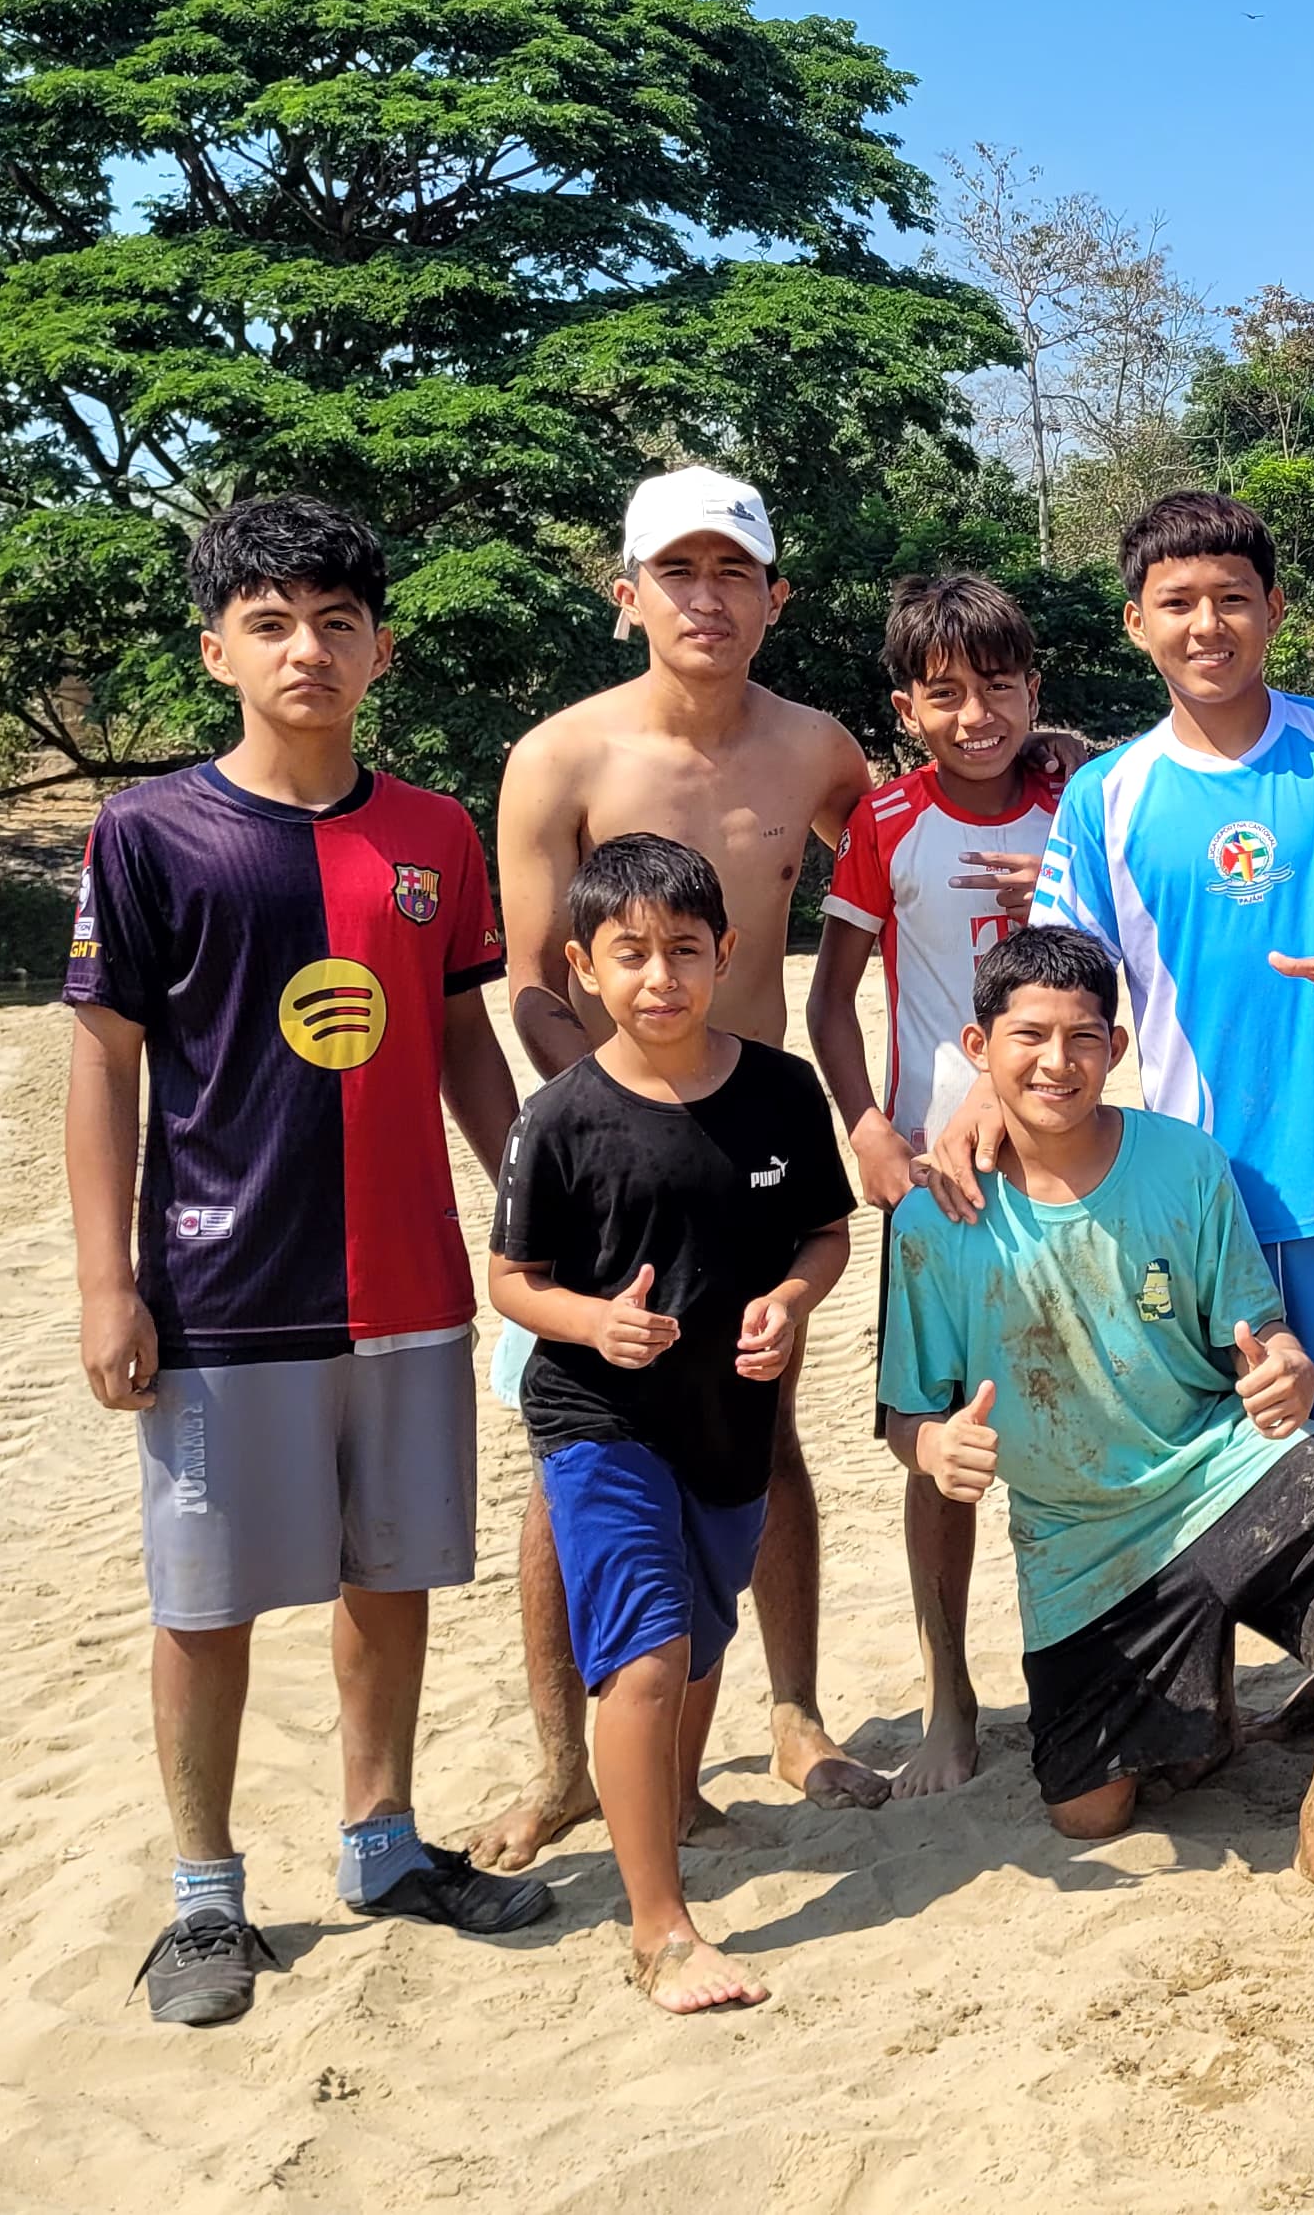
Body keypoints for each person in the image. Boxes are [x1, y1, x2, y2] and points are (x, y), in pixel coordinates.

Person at [922, 491, 1314, 1801]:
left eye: (1232, 598)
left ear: (1274, 610)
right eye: (1178, 602)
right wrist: (973, 1101)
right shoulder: (1107, 798)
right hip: (1182, 1203)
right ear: (1136, 622)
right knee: (1207, 1458)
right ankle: (1218, 1704)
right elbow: (1060, 985)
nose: (1208, 624)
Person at [65, 496, 553, 2029]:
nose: (307, 650)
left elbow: (464, 1039)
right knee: (204, 1601)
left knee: (388, 1572)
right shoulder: (150, 832)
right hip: (221, 1291)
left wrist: (529, 1209)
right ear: (216, 651)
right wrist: (105, 1283)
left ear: (380, 650)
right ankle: (205, 1895)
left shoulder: (431, 833)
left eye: (338, 623)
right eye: (269, 623)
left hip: (408, 1283)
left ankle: (381, 1843)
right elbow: (103, 1065)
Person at [472, 465, 897, 1870]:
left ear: (776, 597)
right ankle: (564, 1763)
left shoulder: (819, 750)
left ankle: (793, 1713)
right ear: (627, 596)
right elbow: (535, 982)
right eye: (677, 572)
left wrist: (1027, 810)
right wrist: (603, 1121)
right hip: (605, 1157)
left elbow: (895, 866)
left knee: (764, 1430)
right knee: (576, 1457)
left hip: (761, 1150)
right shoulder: (559, 759)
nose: (705, 598)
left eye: (733, 573)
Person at [880, 927, 1314, 1924]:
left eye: (1083, 1037)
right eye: (1028, 1037)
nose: (1056, 1062)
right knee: (1090, 1815)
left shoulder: (1183, 1162)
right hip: (1079, 1547)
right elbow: (905, 1411)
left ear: (1117, 1046)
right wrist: (932, 1445)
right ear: (978, 1048)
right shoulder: (934, 1221)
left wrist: (1289, 1367)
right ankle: (1202, 1709)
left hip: (1216, 1476)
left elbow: (1257, 1330)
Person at [489, 834, 852, 2011]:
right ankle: (660, 1931)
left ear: (728, 954)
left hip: (729, 1422)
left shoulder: (782, 1093)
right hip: (599, 1418)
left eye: (684, 951)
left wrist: (789, 1302)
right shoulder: (557, 1118)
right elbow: (512, 1281)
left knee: (698, 1639)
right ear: (584, 968)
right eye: (631, 954)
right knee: (645, 1655)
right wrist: (595, 1324)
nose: (660, 977)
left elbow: (824, 1234)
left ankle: (678, 1801)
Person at [809, 572, 1065, 1797]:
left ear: (1033, 690)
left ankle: (1079, 1671)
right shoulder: (886, 820)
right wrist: (867, 1126)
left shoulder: (1078, 806)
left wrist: (1059, 884)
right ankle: (949, 1698)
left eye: (999, 687)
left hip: (1070, 1168)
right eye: (946, 694)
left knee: (1075, 1417)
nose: (978, 716)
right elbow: (829, 997)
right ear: (907, 708)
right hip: (939, 1183)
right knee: (940, 1445)